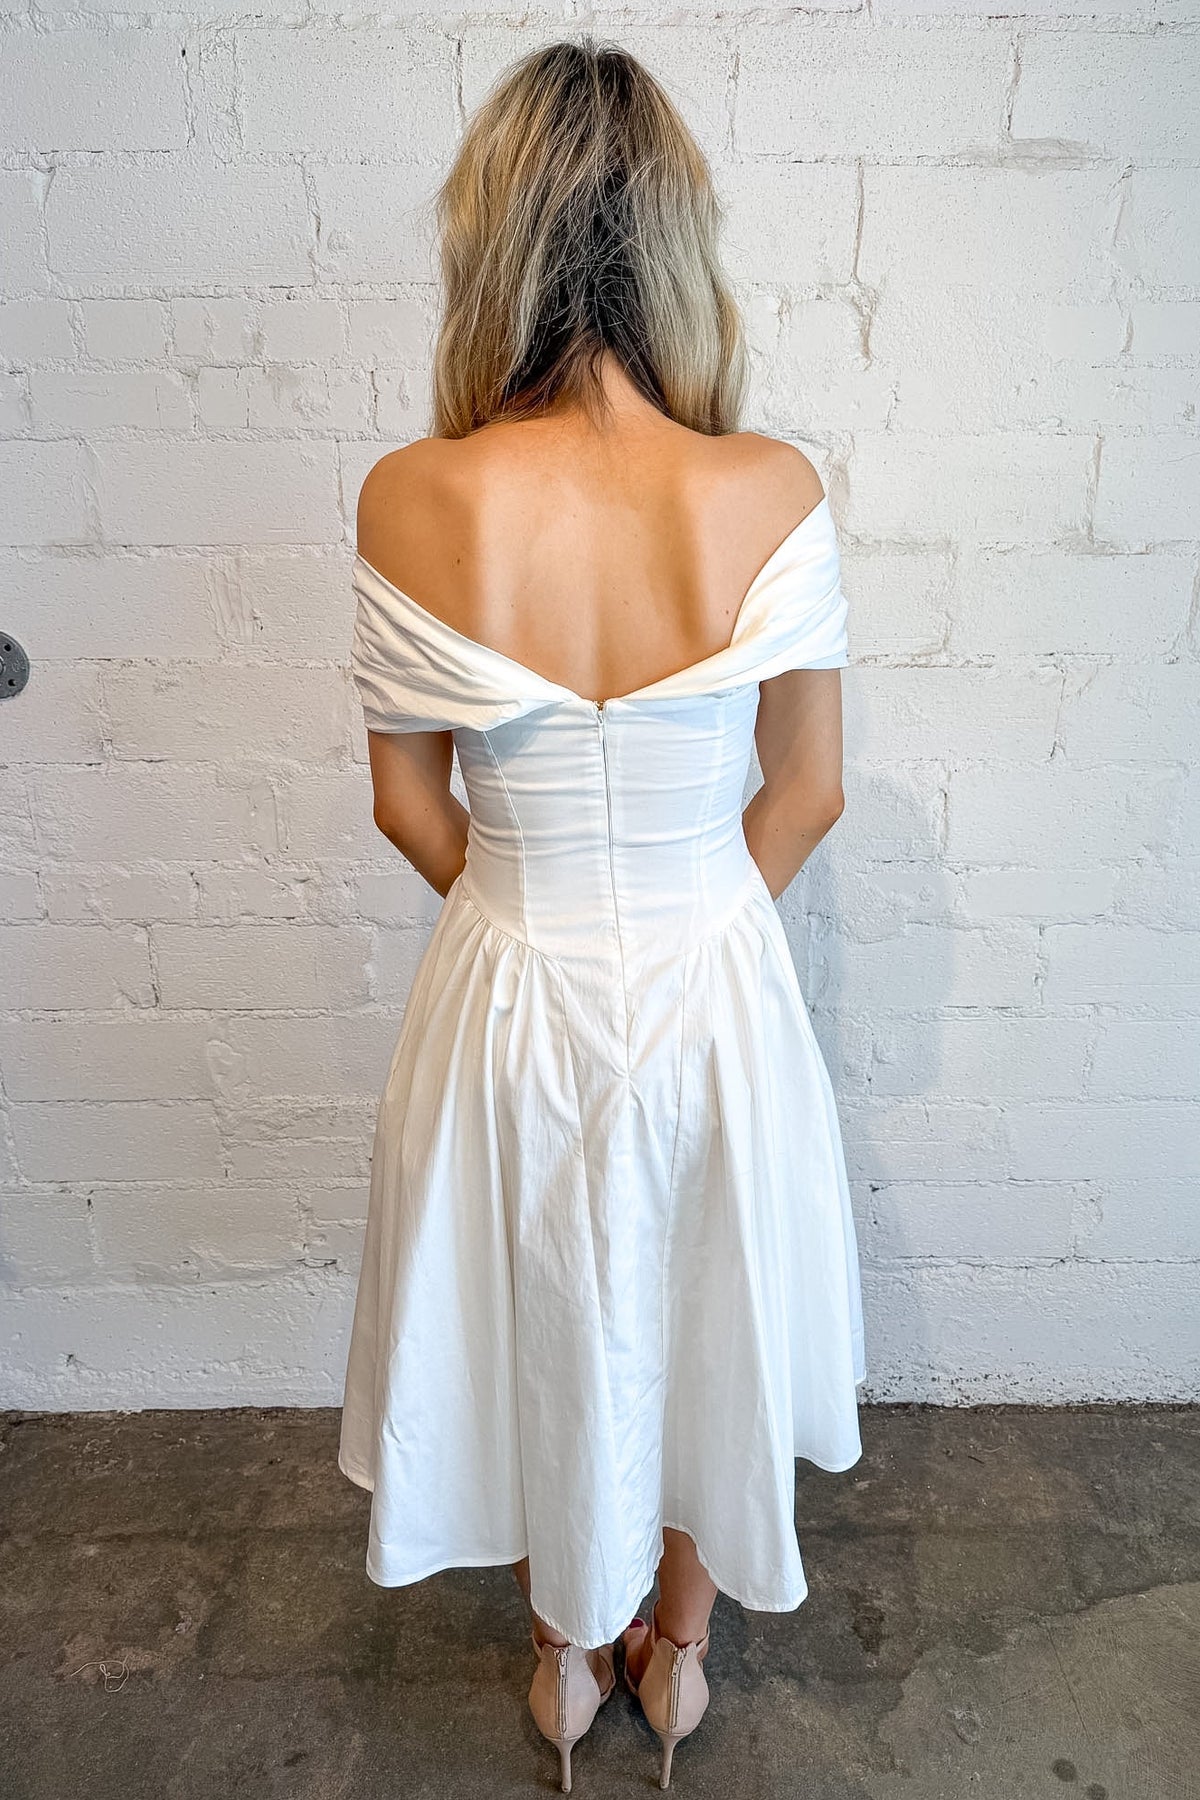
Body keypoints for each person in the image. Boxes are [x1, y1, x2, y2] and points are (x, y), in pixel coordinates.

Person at [337, 35, 864, 1791]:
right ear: (677, 241)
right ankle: (680, 1657)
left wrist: (525, 910)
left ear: (491, 240)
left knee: (538, 1302)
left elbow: (410, 802)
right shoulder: (770, 489)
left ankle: (566, 1655)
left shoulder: (412, 496)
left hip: (509, 985)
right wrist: (694, 919)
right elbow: (808, 790)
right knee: (710, 1297)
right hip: (717, 980)